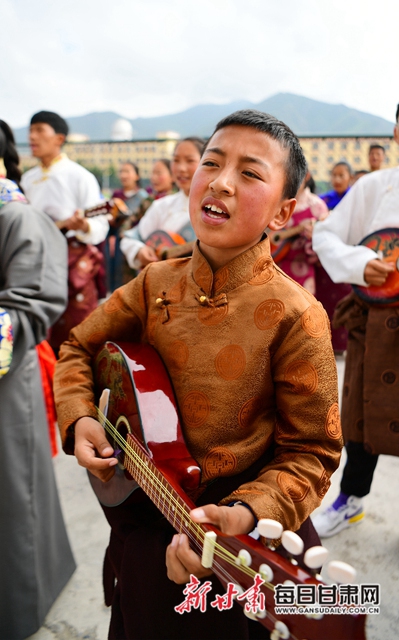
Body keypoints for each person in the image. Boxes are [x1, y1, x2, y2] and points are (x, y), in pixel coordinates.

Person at [53, 110, 342, 640]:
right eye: (212, 162)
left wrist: (245, 512)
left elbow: (313, 452)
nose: (221, 181)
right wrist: (79, 419)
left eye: (250, 173)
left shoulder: (298, 314)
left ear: (283, 213)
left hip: (239, 534)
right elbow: (76, 347)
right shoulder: (152, 282)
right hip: (144, 518)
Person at [0, 120, 75, 640]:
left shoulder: (16, 216)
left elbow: (30, 307)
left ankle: (20, 606)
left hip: (4, 382)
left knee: (13, 503)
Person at [311, 104, 399, 538]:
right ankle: (350, 499)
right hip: (375, 322)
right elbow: (324, 235)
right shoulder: (375, 188)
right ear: (398, 131)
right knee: (363, 420)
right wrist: (362, 263)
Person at [21, 110, 108, 353]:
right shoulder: (28, 179)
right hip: (36, 263)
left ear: (59, 138)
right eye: (30, 131)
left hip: (71, 264)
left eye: (39, 130)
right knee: (38, 335)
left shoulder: (80, 176)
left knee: (76, 334)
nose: (32, 136)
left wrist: (84, 226)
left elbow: (99, 226)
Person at [120, 137, 203, 270]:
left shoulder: (216, 209)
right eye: (176, 160)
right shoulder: (162, 206)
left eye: (190, 160)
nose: (181, 168)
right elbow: (130, 238)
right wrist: (140, 251)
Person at [316, 162, 353, 353]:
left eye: (342, 175)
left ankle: (343, 345)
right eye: (334, 175)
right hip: (325, 259)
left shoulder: (355, 200)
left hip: (346, 256)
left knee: (342, 300)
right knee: (324, 301)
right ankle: (324, 344)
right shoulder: (322, 201)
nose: (337, 179)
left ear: (350, 178)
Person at [271, 171, 328, 294]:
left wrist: (313, 238)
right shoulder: (275, 201)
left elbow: (325, 248)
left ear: (307, 176)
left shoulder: (317, 206)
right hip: (272, 272)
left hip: (303, 273)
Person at [106, 162, 149, 291]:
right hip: (116, 242)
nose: (123, 175)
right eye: (121, 172)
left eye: (127, 171)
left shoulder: (143, 198)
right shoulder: (116, 196)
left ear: (136, 176)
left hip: (136, 243)